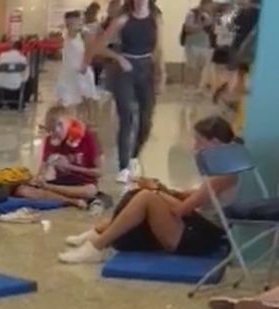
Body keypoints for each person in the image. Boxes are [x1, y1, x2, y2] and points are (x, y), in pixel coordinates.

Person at [59, 116, 237, 264]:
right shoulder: (224, 167)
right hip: (197, 226)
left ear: (214, 142)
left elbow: (182, 210)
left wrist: (158, 192)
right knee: (140, 193)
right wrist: (163, 189)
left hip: (201, 237)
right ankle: (97, 233)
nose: (195, 147)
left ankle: (97, 247)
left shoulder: (224, 175)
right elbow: (195, 197)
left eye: (199, 142)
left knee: (146, 197)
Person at [88, 0, 162, 184]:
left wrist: (162, 72)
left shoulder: (155, 18)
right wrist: (118, 58)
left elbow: (160, 48)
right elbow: (100, 46)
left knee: (146, 119)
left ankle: (134, 155)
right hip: (125, 70)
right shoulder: (123, 19)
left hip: (146, 69)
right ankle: (123, 166)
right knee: (127, 117)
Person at [56, 11, 99, 116]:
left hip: (81, 71)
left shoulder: (85, 33)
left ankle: (89, 123)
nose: (69, 25)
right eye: (68, 23)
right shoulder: (66, 33)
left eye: (73, 21)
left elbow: (90, 50)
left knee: (86, 99)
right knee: (66, 100)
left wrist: (85, 64)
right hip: (67, 72)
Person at [182, 0, 216, 90]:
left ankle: (197, 86)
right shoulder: (192, 14)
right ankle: (187, 86)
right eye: (209, 5)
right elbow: (187, 29)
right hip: (192, 44)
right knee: (191, 67)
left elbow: (210, 29)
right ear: (203, 4)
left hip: (205, 45)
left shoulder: (209, 15)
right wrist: (201, 25)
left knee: (202, 67)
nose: (210, 8)